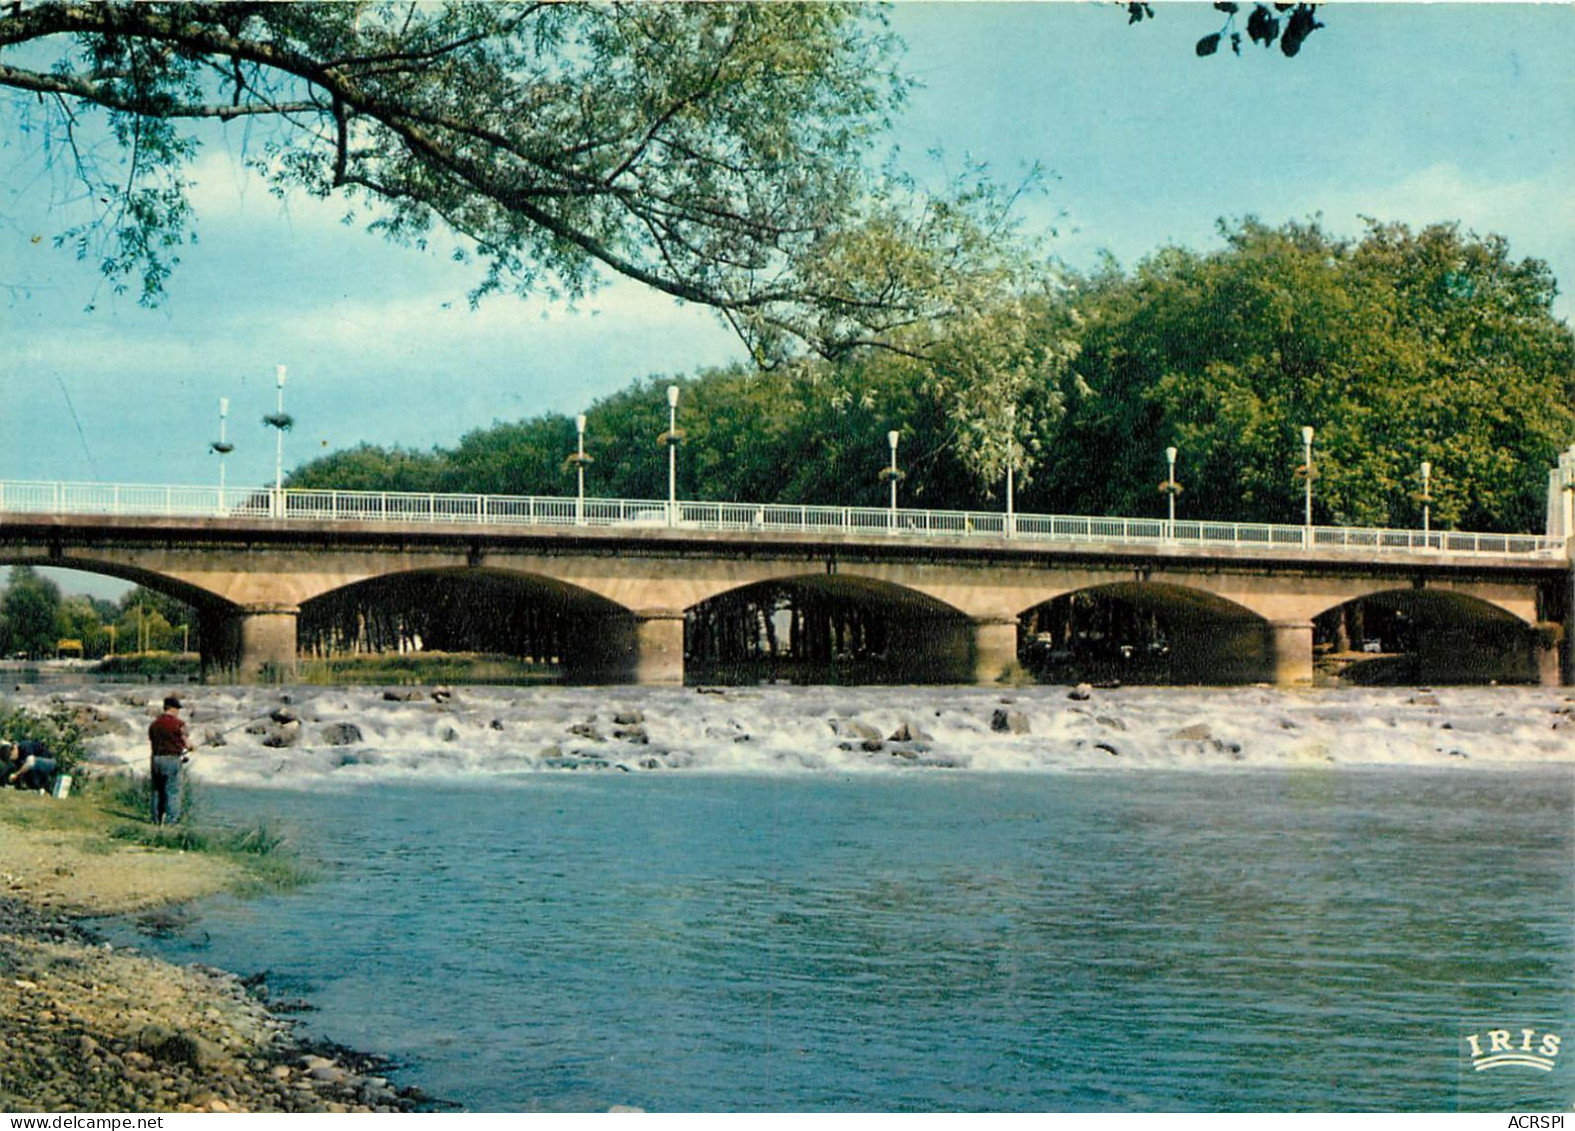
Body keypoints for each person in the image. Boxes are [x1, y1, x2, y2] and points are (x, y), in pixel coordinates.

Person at [147, 695, 195, 825]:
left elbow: (151, 739)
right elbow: (187, 743)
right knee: (173, 792)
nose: (178, 712)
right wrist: (191, 747)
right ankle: (171, 822)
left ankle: (155, 820)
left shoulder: (154, 724)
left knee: (157, 791)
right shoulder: (178, 724)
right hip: (172, 760)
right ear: (173, 709)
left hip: (156, 759)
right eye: (177, 709)